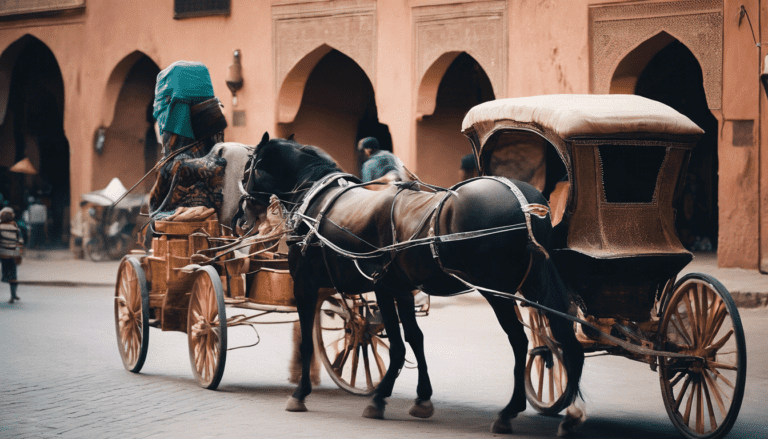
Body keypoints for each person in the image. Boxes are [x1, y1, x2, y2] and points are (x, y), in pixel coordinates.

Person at [0, 207, 23, 303]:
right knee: (14, 274)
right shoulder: (16, 227)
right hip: (14, 254)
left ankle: (6, 278)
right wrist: (18, 253)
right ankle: (13, 295)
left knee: (5, 273)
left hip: (3, 254)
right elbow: (20, 241)